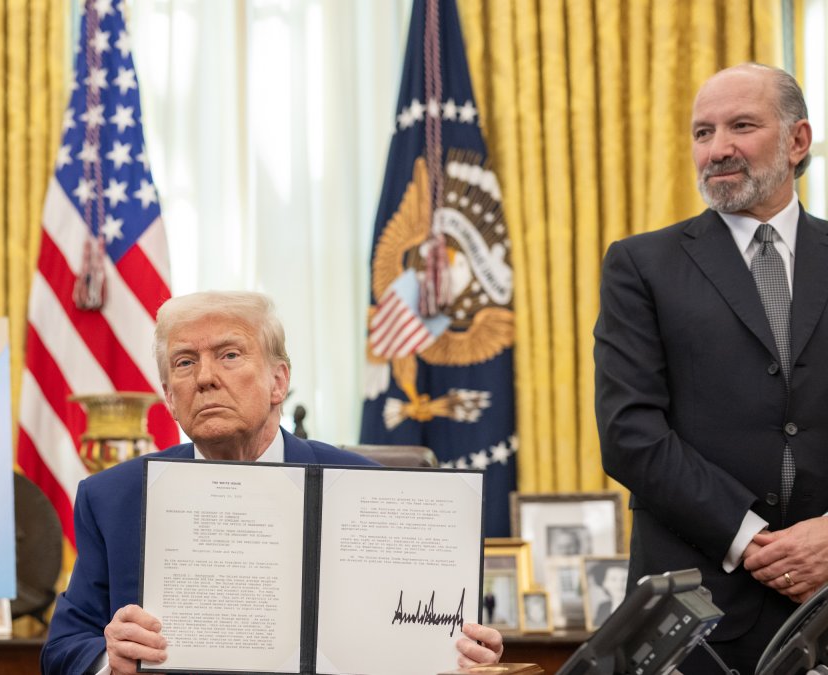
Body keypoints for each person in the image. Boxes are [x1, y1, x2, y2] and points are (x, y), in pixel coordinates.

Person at [42, 290, 504, 674]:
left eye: (229, 355)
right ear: (169, 397)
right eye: (184, 363)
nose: (205, 378)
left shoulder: (369, 489)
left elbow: (420, 634)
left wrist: (464, 656)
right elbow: (62, 649)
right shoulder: (113, 497)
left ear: (278, 380)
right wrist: (110, 659)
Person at [594, 62, 828, 674]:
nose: (717, 149)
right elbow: (629, 435)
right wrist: (751, 540)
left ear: (797, 140)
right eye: (703, 132)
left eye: (741, 126)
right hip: (693, 623)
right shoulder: (639, 265)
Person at [589, 563, 628, 628]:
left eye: (624, 579)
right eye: (613, 579)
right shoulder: (603, 607)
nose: (619, 585)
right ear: (604, 583)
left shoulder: (639, 605)